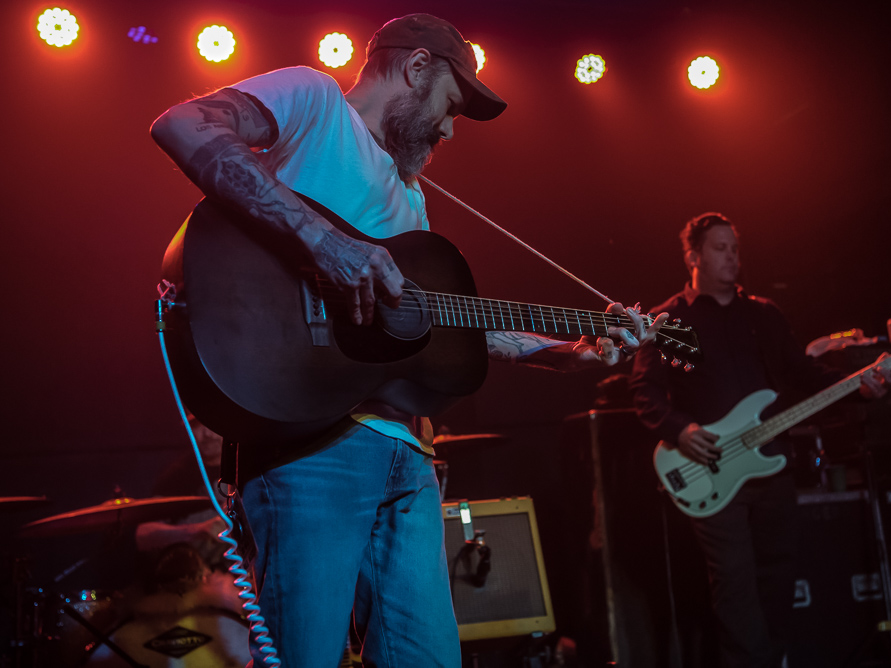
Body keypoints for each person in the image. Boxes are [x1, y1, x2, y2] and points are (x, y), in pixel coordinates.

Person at [151, 14, 666, 667]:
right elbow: (181, 124)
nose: (451, 130)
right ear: (416, 68)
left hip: (408, 461)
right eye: (449, 107)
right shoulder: (313, 101)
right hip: (312, 449)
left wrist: (561, 351)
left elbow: (435, 329)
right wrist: (324, 243)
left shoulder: (411, 198)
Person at [629, 212, 889, 668]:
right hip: (710, 467)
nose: (732, 257)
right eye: (720, 248)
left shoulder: (763, 314)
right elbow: (645, 392)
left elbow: (803, 372)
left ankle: (774, 659)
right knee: (734, 584)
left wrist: (860, 383)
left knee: (778, 577)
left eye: (735, 248)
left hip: (772, 461)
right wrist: (681, 430)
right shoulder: (668, 321)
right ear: (693, 257)